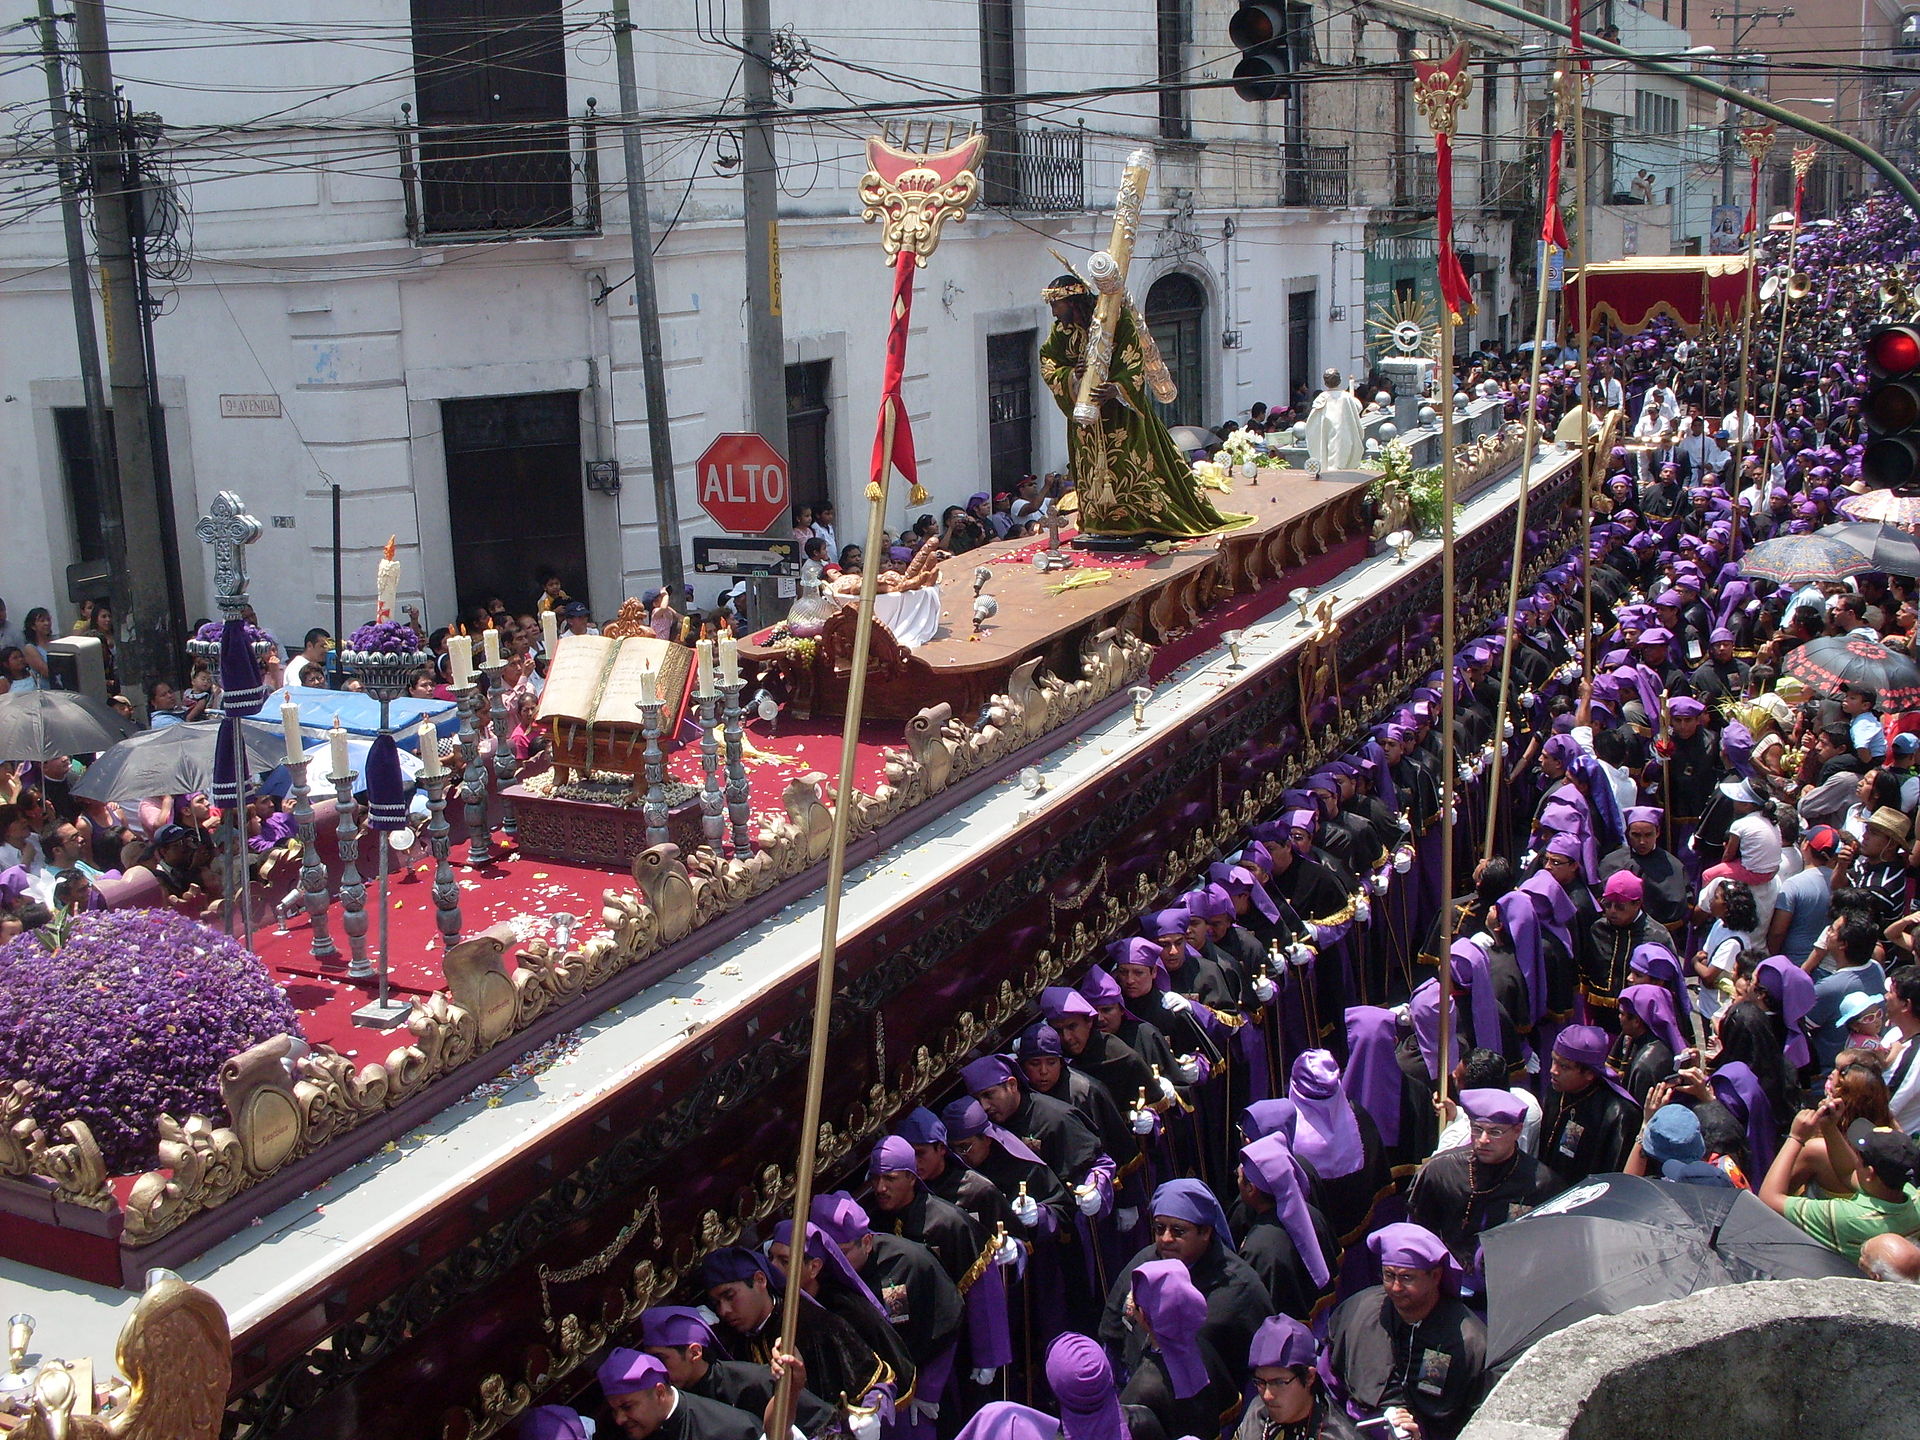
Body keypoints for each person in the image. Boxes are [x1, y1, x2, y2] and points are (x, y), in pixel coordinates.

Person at [1039, 272, 1250, 541]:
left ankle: (1138, 519)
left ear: (1072, 301)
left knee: (1127, 464)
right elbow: (1049, 364)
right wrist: (1072, 375)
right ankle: (1099, 522)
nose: (1054, 313)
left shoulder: (1117, 318)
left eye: (1056, 305)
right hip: (1085, 418)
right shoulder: (1061, 332)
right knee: (1090, 468)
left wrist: (1117, 388)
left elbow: (1133, 360)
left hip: (1120, 414)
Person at [1321, 1223, 1487, 1440]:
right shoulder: (1358, 1312)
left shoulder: (1468, 1340)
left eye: (1407, 1277)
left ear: (1435, 1276)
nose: (1396, 1288)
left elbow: (1476, 1418)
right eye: (1389, 1275)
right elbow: (1329, 1382)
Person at [1405, 1090, 1560, 1297]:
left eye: (1495, 1132)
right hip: (1445, 1287)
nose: (1484, 1139)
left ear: (1517, 1131)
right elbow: (1415, 1234)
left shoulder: (1541, 1183)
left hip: (1508, 1291)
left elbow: (1549, 1252)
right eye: (1477, 1129)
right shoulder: (1440, 1170)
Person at [637, 1305, 837, 1435]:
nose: (656, 1369)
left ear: (694, 1353)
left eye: (661, 1359)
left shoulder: (754, 1381)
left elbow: (826, 1429)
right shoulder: (672, 1408)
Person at [1760, 1104, 1920, 1261]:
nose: (1856, 1159)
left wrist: (1795, 1138)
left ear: (1870, 1173)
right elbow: (1848, 1173)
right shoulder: (1911, 1196)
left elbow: (1769, 1199)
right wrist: (1829, 1126)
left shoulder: (1849, 1218)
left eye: (1859, 1156)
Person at [1539, 1025, 1642, 1181]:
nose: (1553, 1070)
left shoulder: (1618, 1115)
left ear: (1589, 1073)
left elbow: (1613, 1175)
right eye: (1553, 1060)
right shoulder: (1557, 1090)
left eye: (1564, 1066)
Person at [1236, 1313, 1359, 1439]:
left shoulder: (1339, 1436)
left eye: (1279, 1382)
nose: (1267, 1396)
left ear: (1309, 1377)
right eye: (1260, 1382)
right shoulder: (1257, 1412)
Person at [595, 1347, 760, 1440]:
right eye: (614, 1410)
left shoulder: (731, 1430)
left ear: (659, 1392)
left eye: (627, 1407)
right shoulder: (613, 1434)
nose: (619, 1419)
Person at [1303, 368, 1366, 474]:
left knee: (1332, 458)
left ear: (1325, 382)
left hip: (1329, 432)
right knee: (1341, 454)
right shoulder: (1346, 397)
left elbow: (1313, 421)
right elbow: (1358, 408)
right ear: (1340, 380)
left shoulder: (1322, 398)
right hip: (1342, 432)